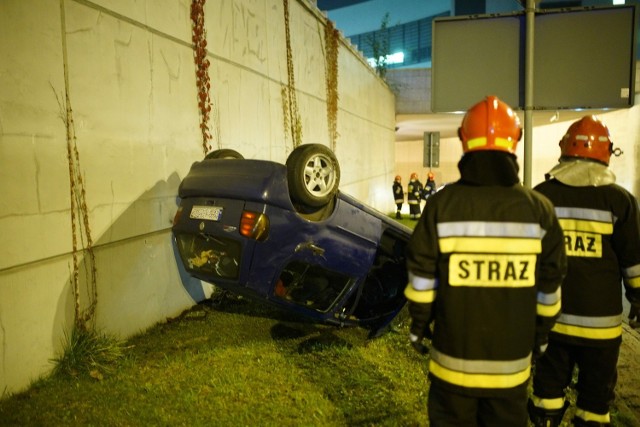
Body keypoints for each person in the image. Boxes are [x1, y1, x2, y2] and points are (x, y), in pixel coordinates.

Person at [404, 95, 567, 426]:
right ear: (515, 142)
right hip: (511, 371)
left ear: (465, 141)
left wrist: (419, 327)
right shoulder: (539, 211)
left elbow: (421, 278)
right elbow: (550, 288)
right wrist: (540, 335)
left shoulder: (441, 206)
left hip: (451, 366)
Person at [528, 115, 640, 427]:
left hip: (553, 322)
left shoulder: (541, 196)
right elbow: (634, 262)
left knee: (546, 393)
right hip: (601, 330)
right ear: (607, 153)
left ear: (564, 148)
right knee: (595, 404)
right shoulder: (620, 202)